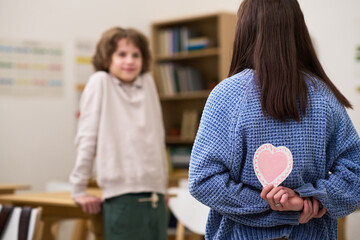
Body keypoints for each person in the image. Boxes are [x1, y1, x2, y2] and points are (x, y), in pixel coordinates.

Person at [188, 0, 360, 239]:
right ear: (298, 31)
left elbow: (203, 181)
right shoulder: (324, 96)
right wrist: (303, 202)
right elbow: (355, 175)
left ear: (244, 31)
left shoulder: (226, 95)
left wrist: (284, 204)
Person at [69, 27, 167, 240]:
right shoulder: (100, 82)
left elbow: (158, 137)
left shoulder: (148, 83)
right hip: (120, 196)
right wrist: (78, 188)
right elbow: (87, 138)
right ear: (107, 58)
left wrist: (162, 186)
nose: (129, 61)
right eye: (121, 54)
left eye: (136, 55)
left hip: (155, 196)